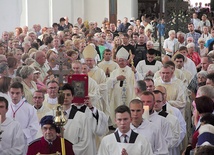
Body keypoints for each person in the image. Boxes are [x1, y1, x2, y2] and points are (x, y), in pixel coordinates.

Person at [61, 83, 108, 155]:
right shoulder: (60, 112)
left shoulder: (90, 110)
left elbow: (100, 130)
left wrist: (91, 108)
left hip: (86, 147)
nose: (65, 97)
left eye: (68, 95)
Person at [107, 47, 142, 124]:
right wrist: (116, 79)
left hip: (129, 96)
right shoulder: (114, 72)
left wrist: (135, 72)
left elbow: (140, 80)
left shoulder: (131, 70)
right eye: (119, 61)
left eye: (123, 60)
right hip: (117, 97)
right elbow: (108, 83)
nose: (121, 62)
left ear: (127, 62)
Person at [6, 82, 39, 153]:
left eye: (17, 93)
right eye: (12, 93)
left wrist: (18, 133)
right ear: (9, 92)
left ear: (22, 93)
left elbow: (34, 128)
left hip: (23, 144)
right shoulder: (5, 107)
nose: (14, 96)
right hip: (7, 144)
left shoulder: (30, 109)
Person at [153, 90, 181, 155]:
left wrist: (160, 147)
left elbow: (176, 137)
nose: (155, 104)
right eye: (154, 101)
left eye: (158, 101)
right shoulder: (145, 118)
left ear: (163, 102)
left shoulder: (172, 119)